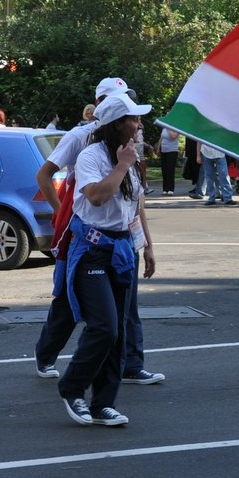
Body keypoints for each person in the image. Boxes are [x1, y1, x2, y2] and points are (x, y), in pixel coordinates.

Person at [56, 92, 156, 426]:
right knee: (104, 326)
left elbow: (135, 206)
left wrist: (148, 247)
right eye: (134, 119)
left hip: (122, 249)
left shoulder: (130, 155)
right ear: (115, 125)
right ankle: (72, 389)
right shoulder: (91, 156)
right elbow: (97, 197)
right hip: (92, 251)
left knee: (119, 331)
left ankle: (103, 402)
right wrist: (123, 164)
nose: (139, 125)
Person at [197, 140, 233, 205]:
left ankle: (228, 198)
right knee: (209, 177)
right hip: (206, 153)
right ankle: (211, 198)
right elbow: (199, 141)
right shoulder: (203, 130)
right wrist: (198, 156)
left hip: (220, 153)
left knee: (224, 175)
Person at [157, 125, 181, 195]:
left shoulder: (176, 127)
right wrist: (158, 148)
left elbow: (173, 136)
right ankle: (165, 189)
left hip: (172, 151)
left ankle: (170, 189)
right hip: (164, 150)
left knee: (170, 170)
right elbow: (161, 138)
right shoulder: (164, 128)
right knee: (164, 170)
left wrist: (168, 127)